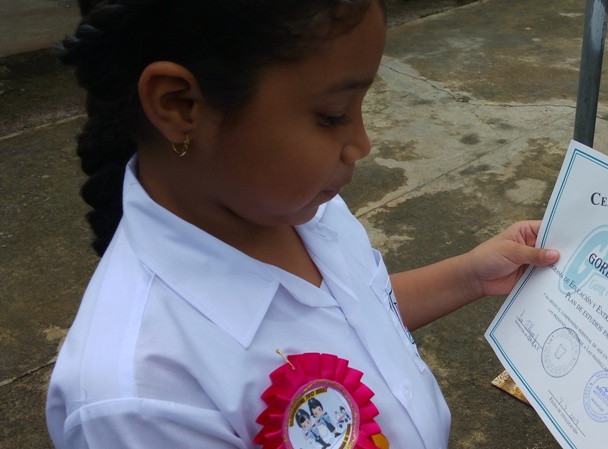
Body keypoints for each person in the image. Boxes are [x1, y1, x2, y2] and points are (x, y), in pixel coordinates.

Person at [45, 0, 560, 448]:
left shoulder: (300, 209)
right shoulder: (140, 399)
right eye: (333, 115)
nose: (361, 144)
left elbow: (352, 315)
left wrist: (469, 275)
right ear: (179, 105)